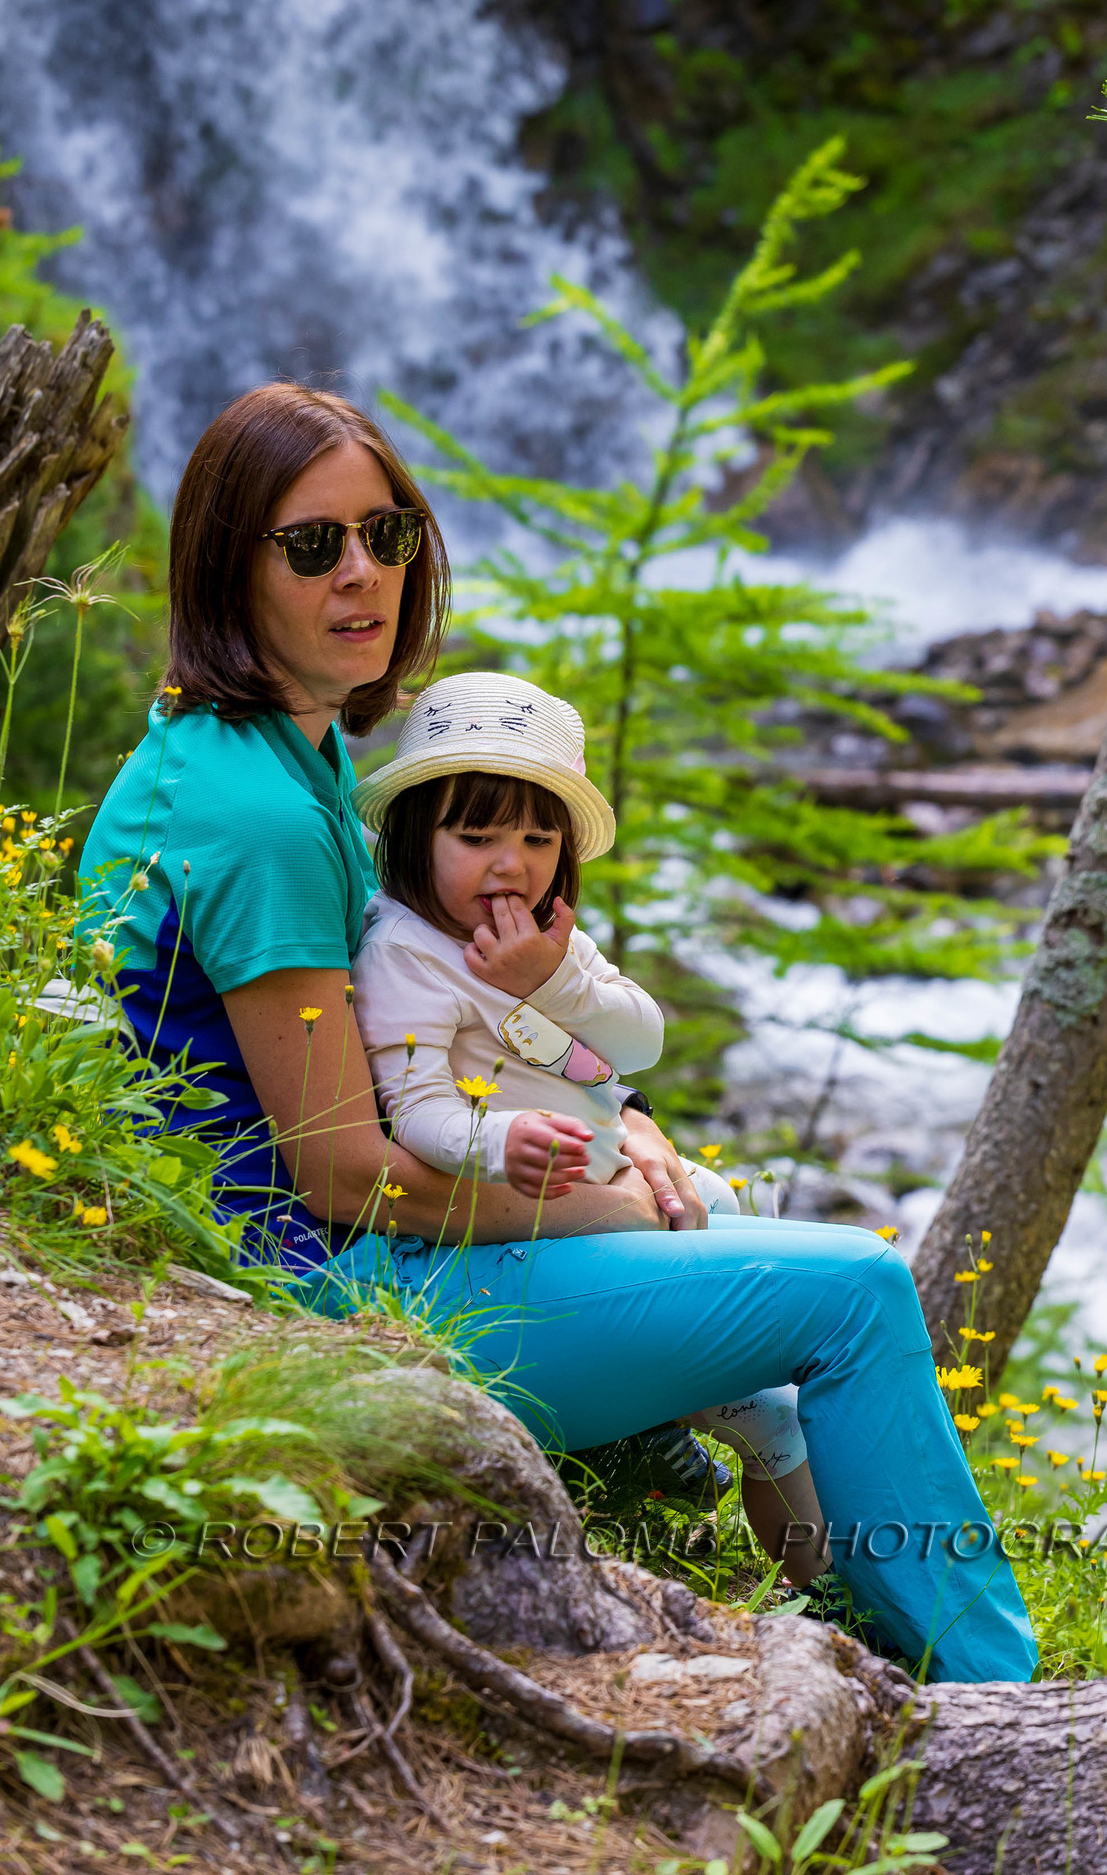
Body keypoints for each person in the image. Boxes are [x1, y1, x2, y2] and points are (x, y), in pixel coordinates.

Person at [78, 381, 1036, 1684]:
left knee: (726, 1207)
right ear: (222, 564)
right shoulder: (259, 817)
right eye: (313, 546)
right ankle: (1001, 1699)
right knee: (859, 1292)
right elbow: (340, 1170)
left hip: (317, 1259)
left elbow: (420, 1034)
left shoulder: (260, 756)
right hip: (327, 1296)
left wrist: (622, 1125)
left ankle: (861, 1611)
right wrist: (605, 1199)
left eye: (389, 535)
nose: (364, 576)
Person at [350, 666, 822, 1579]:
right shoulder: (403, 953)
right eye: (475, 834)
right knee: (771, 1409)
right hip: (518, 1230)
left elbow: (637, 1040)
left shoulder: (550, 938)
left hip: (623, 1185)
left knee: (771, 1315)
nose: (509, 863)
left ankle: (842, 1587)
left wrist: (552, 978)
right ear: (414, 833)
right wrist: (499, 1143)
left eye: (536, 837)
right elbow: (415, 1111)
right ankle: (825, 1586)